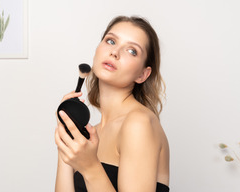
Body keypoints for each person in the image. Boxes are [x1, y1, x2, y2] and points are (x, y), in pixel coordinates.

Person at [55, 15, 170, 192]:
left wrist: (90, 167)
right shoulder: (92, 132)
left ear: (143, 75)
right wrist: (66, 140)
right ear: (97, 50)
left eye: (132, 51)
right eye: (110, 41)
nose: (115, 52)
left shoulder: (139, 123)